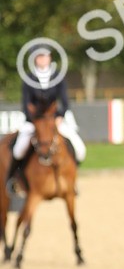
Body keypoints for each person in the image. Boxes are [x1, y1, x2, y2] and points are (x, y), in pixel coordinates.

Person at [6, 47, 86, 190]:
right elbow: (26, 104)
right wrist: (34, 119)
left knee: (80, 149)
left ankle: (72, 180)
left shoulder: (58, 77)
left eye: (45, 56)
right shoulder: (29, 79)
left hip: (55, 120)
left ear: (50, 58)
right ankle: (13, 179)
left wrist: (59, 116)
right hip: (34, 122)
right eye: (39, 57)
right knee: (19, 149)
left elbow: (65, 101)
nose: (43, 59)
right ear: (35, 59)